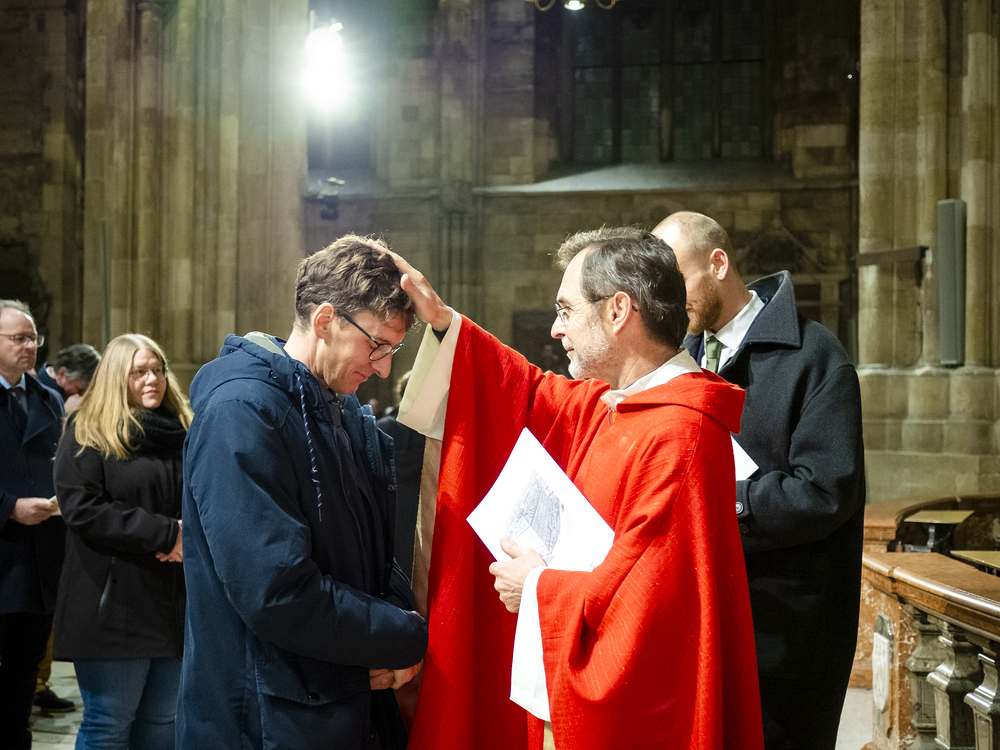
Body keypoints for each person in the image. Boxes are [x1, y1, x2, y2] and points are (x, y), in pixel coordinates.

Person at [391, 227, 764, 750]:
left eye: (566, 310)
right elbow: (523, 390)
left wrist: (536, 587)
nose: (556, 327)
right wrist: (447, 326)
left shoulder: (681, 434)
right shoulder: (615, 404)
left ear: (618, 311)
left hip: (631, 720)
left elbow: (646, 610)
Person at [178, 235, 429, 750]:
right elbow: (275, 592)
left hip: (332, 703)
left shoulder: (336, 407)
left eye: (393, 350)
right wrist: (405, 634)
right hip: (262, 722)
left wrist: (389, 636)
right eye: (376, 344)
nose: (384, 367)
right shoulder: (241, 413)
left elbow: (375, 552)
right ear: (325, 320)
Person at [653, 211, 866, 750]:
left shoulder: (814, 355)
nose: (669, 302)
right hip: (705, 617)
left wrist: (723, 500)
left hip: (786, 629)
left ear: (718, 263)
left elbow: (826, 493)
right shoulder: (682, 360)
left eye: (677, 281)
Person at [52, 334, 188, 750]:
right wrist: (168, 534)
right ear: (116, 376)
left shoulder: (182, 429)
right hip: (112, 601)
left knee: (163, 723)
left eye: (158, 370)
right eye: (139, 372)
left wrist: (191, 536)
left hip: (173, 600)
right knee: (109, 725)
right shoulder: (87, 430)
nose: (153, 379)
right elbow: (82, 509)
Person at [0, 299, 65, 750]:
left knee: (24, 670)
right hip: (3, 549)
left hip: (39, 557)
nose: (29, 346)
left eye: (33, 338)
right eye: (18, 339)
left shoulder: (48, 397)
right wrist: (9, 507)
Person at [32, 342, 101, 714]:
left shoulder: (56, 395)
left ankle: (37, 683)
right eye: (82, 387)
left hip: (55, 514)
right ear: (62, 375)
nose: (85, 394)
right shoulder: (44, 397)